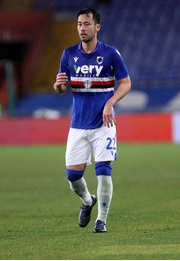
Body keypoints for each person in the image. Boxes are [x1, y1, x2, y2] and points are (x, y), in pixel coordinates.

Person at [53, 7, 131, 233]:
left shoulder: (110, 54)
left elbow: (126, 83)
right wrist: (58, 86)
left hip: (104, 126)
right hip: (78, 125)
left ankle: (101, 220)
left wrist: (110, 103)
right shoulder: (68, 54)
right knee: (73, 176)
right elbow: (60, 87)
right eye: (79, 24)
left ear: (97, 27)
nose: (82, 28)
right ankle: (88, 201)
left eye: (86, 24)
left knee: (104, 169)